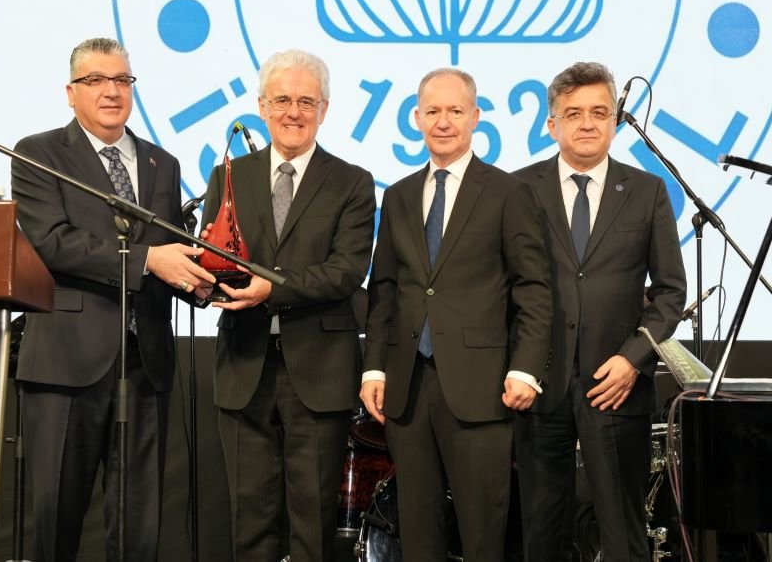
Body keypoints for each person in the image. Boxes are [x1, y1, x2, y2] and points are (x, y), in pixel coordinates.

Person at [11, 37, 215, 561]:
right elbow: (53, 242)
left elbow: (171, 245)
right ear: (70, 92)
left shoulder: (161, 162)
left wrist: (202, 279)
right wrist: (149, 261)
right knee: (58, 519)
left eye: (122, 80)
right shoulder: (38, 153)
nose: (111, 91)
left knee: (138, 526)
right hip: (67, 363)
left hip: (146, 363)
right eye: (96, 80)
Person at [359, 68, 554, 560]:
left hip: (482, 387)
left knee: (483, 533)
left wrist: (526, 368)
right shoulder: (399, 195)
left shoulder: (509, 192)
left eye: (455, 111)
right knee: (417, 533)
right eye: (433, 111)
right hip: (407, 388)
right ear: (416, 118)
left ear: (475, 116)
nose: (443, 121)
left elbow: (533, 288)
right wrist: (374, 368)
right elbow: (385, 289)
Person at [200, 49, 376, 561]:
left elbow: (346, 270)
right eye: (281, 100)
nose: (293, 112)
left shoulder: (352, 181)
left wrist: (271, 289)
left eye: (305, 101)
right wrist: (203, 277)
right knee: (249, 519)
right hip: (243, 364)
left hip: (320, 370)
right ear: (261, 106)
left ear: (325, 110)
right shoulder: (228, 175)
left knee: (313, 523)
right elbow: (215, 256)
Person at [513, 62, 687, 561]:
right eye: (574, 113)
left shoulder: (647, 191)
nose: (587, 123)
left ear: (614, 121)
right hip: (539, 385)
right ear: (552, 124)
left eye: (599, 112)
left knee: (623, 534)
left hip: (617, 387)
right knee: (541, 534)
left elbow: (671, 292)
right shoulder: (517, 189)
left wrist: (633, 359)